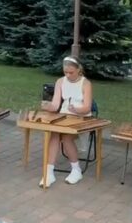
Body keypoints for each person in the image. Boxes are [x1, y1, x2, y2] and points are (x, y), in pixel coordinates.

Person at [39, 56, 93, 187]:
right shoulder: (60, 82)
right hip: (64, 116)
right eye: (65, 72)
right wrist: (47, 106)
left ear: (78, 70)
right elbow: (56, 105)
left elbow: (87, 108)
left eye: (71, 72)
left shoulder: (86, 83)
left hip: (81, 117)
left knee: (66, 137)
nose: (68, 75)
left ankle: (76, 170)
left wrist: (76, 109)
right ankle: (49, 172)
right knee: (54, 134)